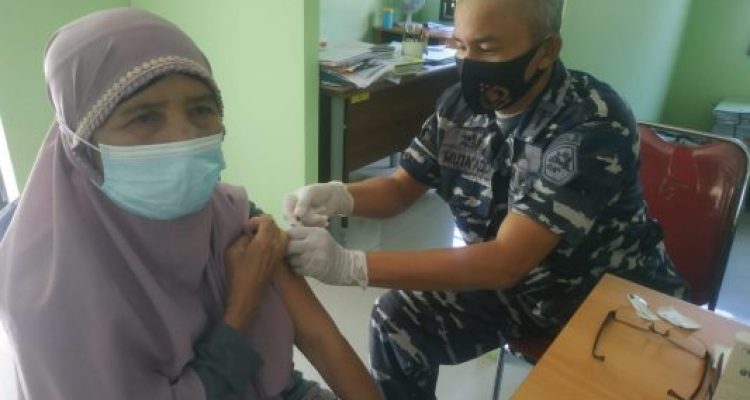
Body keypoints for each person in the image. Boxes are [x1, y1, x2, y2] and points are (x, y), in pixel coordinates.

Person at [283, 0, 688, 398]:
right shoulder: (458, 107)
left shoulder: (593, 122)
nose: (469, 63)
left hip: (606, 302)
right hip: (514, 294)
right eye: (460, 45)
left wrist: (350, 265)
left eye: (487, 48)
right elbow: (401, 188)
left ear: (546, 51)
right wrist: (338, 195)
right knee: (396, 320)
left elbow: (505, 261)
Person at [0, 8, 382, 400]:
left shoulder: (231, 214)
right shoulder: (42, 290)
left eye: (201, 109)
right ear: (80, 142)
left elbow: (320, 338)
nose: (182, 138)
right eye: (144, 117)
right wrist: (243, 302)